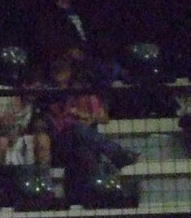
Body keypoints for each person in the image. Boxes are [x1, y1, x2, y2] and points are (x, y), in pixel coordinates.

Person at [43, 57, 138, 204]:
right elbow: (61, 124)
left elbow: (103, 118)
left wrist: (89, 117)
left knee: (84, 151)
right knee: (77, 128)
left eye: (66, 82)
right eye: (58, 83)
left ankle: (98, 196)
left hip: (84, 143)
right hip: (62, 143)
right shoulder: (52, 98)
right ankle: (116, 154)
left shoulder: (85, 95)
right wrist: (80, 117)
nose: (63, 86)